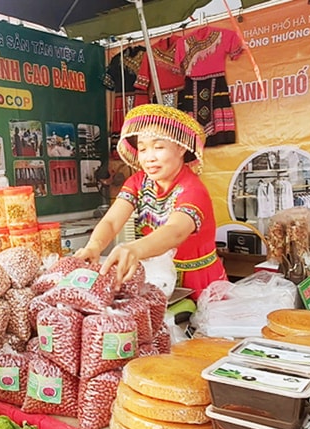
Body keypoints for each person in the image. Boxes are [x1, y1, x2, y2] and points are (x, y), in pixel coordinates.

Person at [75, 104, 227, 300]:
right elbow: (112, 221)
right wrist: (94, 246)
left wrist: (134, 248)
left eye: (158, 147)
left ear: (181, 148)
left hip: (198, 283)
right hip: (157, 277)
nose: (149, 158)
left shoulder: (193, 189)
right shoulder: (138, 182)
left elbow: (176, 231)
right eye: (143, 149)